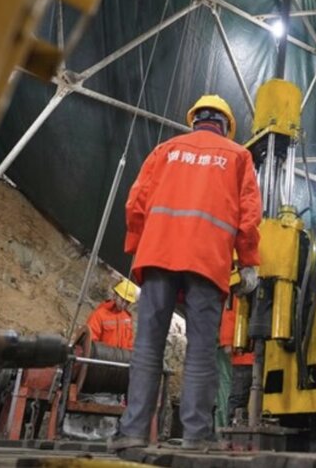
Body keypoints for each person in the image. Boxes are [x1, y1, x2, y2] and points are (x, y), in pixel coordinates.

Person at [109, 95, 262, 452]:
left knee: (147, 345)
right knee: (201, 349)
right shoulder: (238, 156)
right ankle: (196, 435)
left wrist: (139, 245)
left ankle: (132, 431)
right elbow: (249, 215)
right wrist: (248, 262)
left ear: (195, 120)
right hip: (207, 261)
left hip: (158, 255)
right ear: (225, 125)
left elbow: (135, 204)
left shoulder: (165, 150)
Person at [218, 300, 253, 424]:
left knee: (239, 396)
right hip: (244, 356)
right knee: (239, 396)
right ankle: (233, 425)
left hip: (249, 356)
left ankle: (233, 425)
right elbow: (230, 312)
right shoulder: (239, 293)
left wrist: (227, 340)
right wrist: (228, 340)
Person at [86, 279, 138, 350]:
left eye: (127, 302)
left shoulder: (127, 318)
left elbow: (129, 344)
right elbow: (90, 342)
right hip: (102, 356)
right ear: (115, 296)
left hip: (121, 356)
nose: (124, 304)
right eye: (122, 300)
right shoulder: (99, 315)